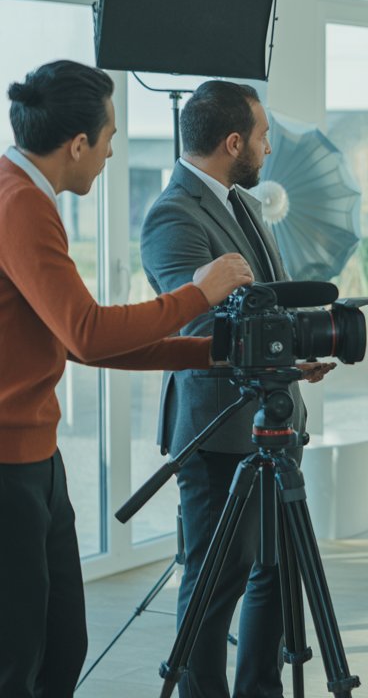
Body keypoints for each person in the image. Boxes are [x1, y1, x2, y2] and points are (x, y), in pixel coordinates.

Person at [0, 60, 253, 698]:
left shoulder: (26, 193)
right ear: (78, 144)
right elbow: (87, 331)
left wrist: (214, 356)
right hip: (7, 467)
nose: (115, 149)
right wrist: (199, 294)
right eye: (111, 136)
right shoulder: (19, 203)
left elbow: (78, 343)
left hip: (35, 458)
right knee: (20, 660)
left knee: (61, 644)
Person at [140, 80, 334, 698]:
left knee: (278, 574)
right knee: (215, 580)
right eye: (262, 135)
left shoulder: (244, 204)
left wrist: (297, 350)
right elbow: (193, 320)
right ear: (232, 142)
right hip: (217, 428)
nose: (268, 147)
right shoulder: (172, 213)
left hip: (274, 420)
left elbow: (264, 304)